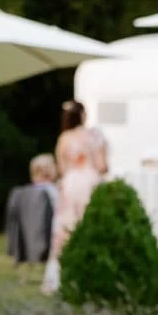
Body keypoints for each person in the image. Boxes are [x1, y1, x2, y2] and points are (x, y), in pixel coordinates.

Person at [42, 100, 105, 293]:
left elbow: (61, 169)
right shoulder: (93, 137)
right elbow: (102, 166)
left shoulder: (64, 138)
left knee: (65, 229)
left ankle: (57, 278)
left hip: (70, 185)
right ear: (82, 116)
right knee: (91, 226)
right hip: (90, 182)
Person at [5, 154, 57, 266]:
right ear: (48, 171)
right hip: (49, 240)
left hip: (27, 243)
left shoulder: (23, 194)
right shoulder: (51, 192)